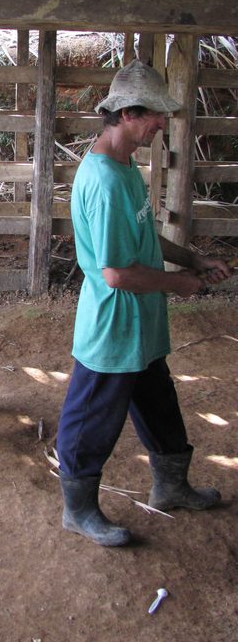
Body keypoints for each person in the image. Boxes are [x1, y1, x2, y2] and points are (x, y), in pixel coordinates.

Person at [56, 60, 232, 547]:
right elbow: (115, 273)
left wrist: (190, 258)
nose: (162, 124)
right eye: (156, 115)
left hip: (141, 320)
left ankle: (171, 485)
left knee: (157, 401)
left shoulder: (125, 163)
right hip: (113, 325)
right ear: (129, 113)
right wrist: (178, 285)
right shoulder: (106, 181)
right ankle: (79, 510)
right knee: (90, 416)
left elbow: (142, 239)